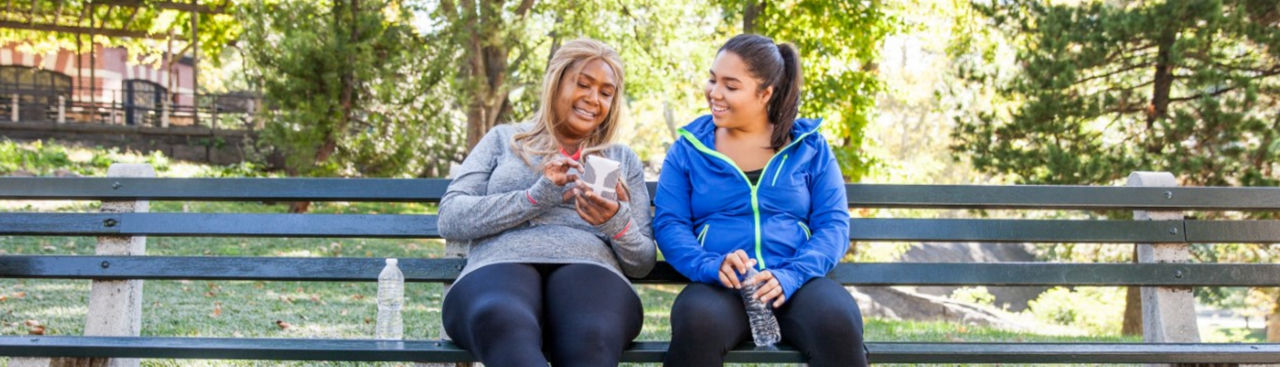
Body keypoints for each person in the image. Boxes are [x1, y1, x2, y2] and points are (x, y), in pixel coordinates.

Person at [436, 38, 656, 367]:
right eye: (583, 84)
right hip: (499, 263)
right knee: (501, 320)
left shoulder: (621, 158)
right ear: (555, 82)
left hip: (590, 268)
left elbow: (642, 262)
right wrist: (536, 196)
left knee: (591, 335)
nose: (593, 99)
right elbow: (450, 218)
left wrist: (614, 220)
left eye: (606, 92)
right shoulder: (502, 139)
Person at [653, 33, 866, 366]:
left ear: (765, 93)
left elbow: (833, 225)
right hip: (720, 285)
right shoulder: (688, 149)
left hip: (798, 283)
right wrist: (710, 264)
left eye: (731, 86)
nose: (715, 93)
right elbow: (670, 223)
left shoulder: (810, 147)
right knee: (698, 323)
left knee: (837, 321)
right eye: (712, 80)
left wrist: (792, 275)